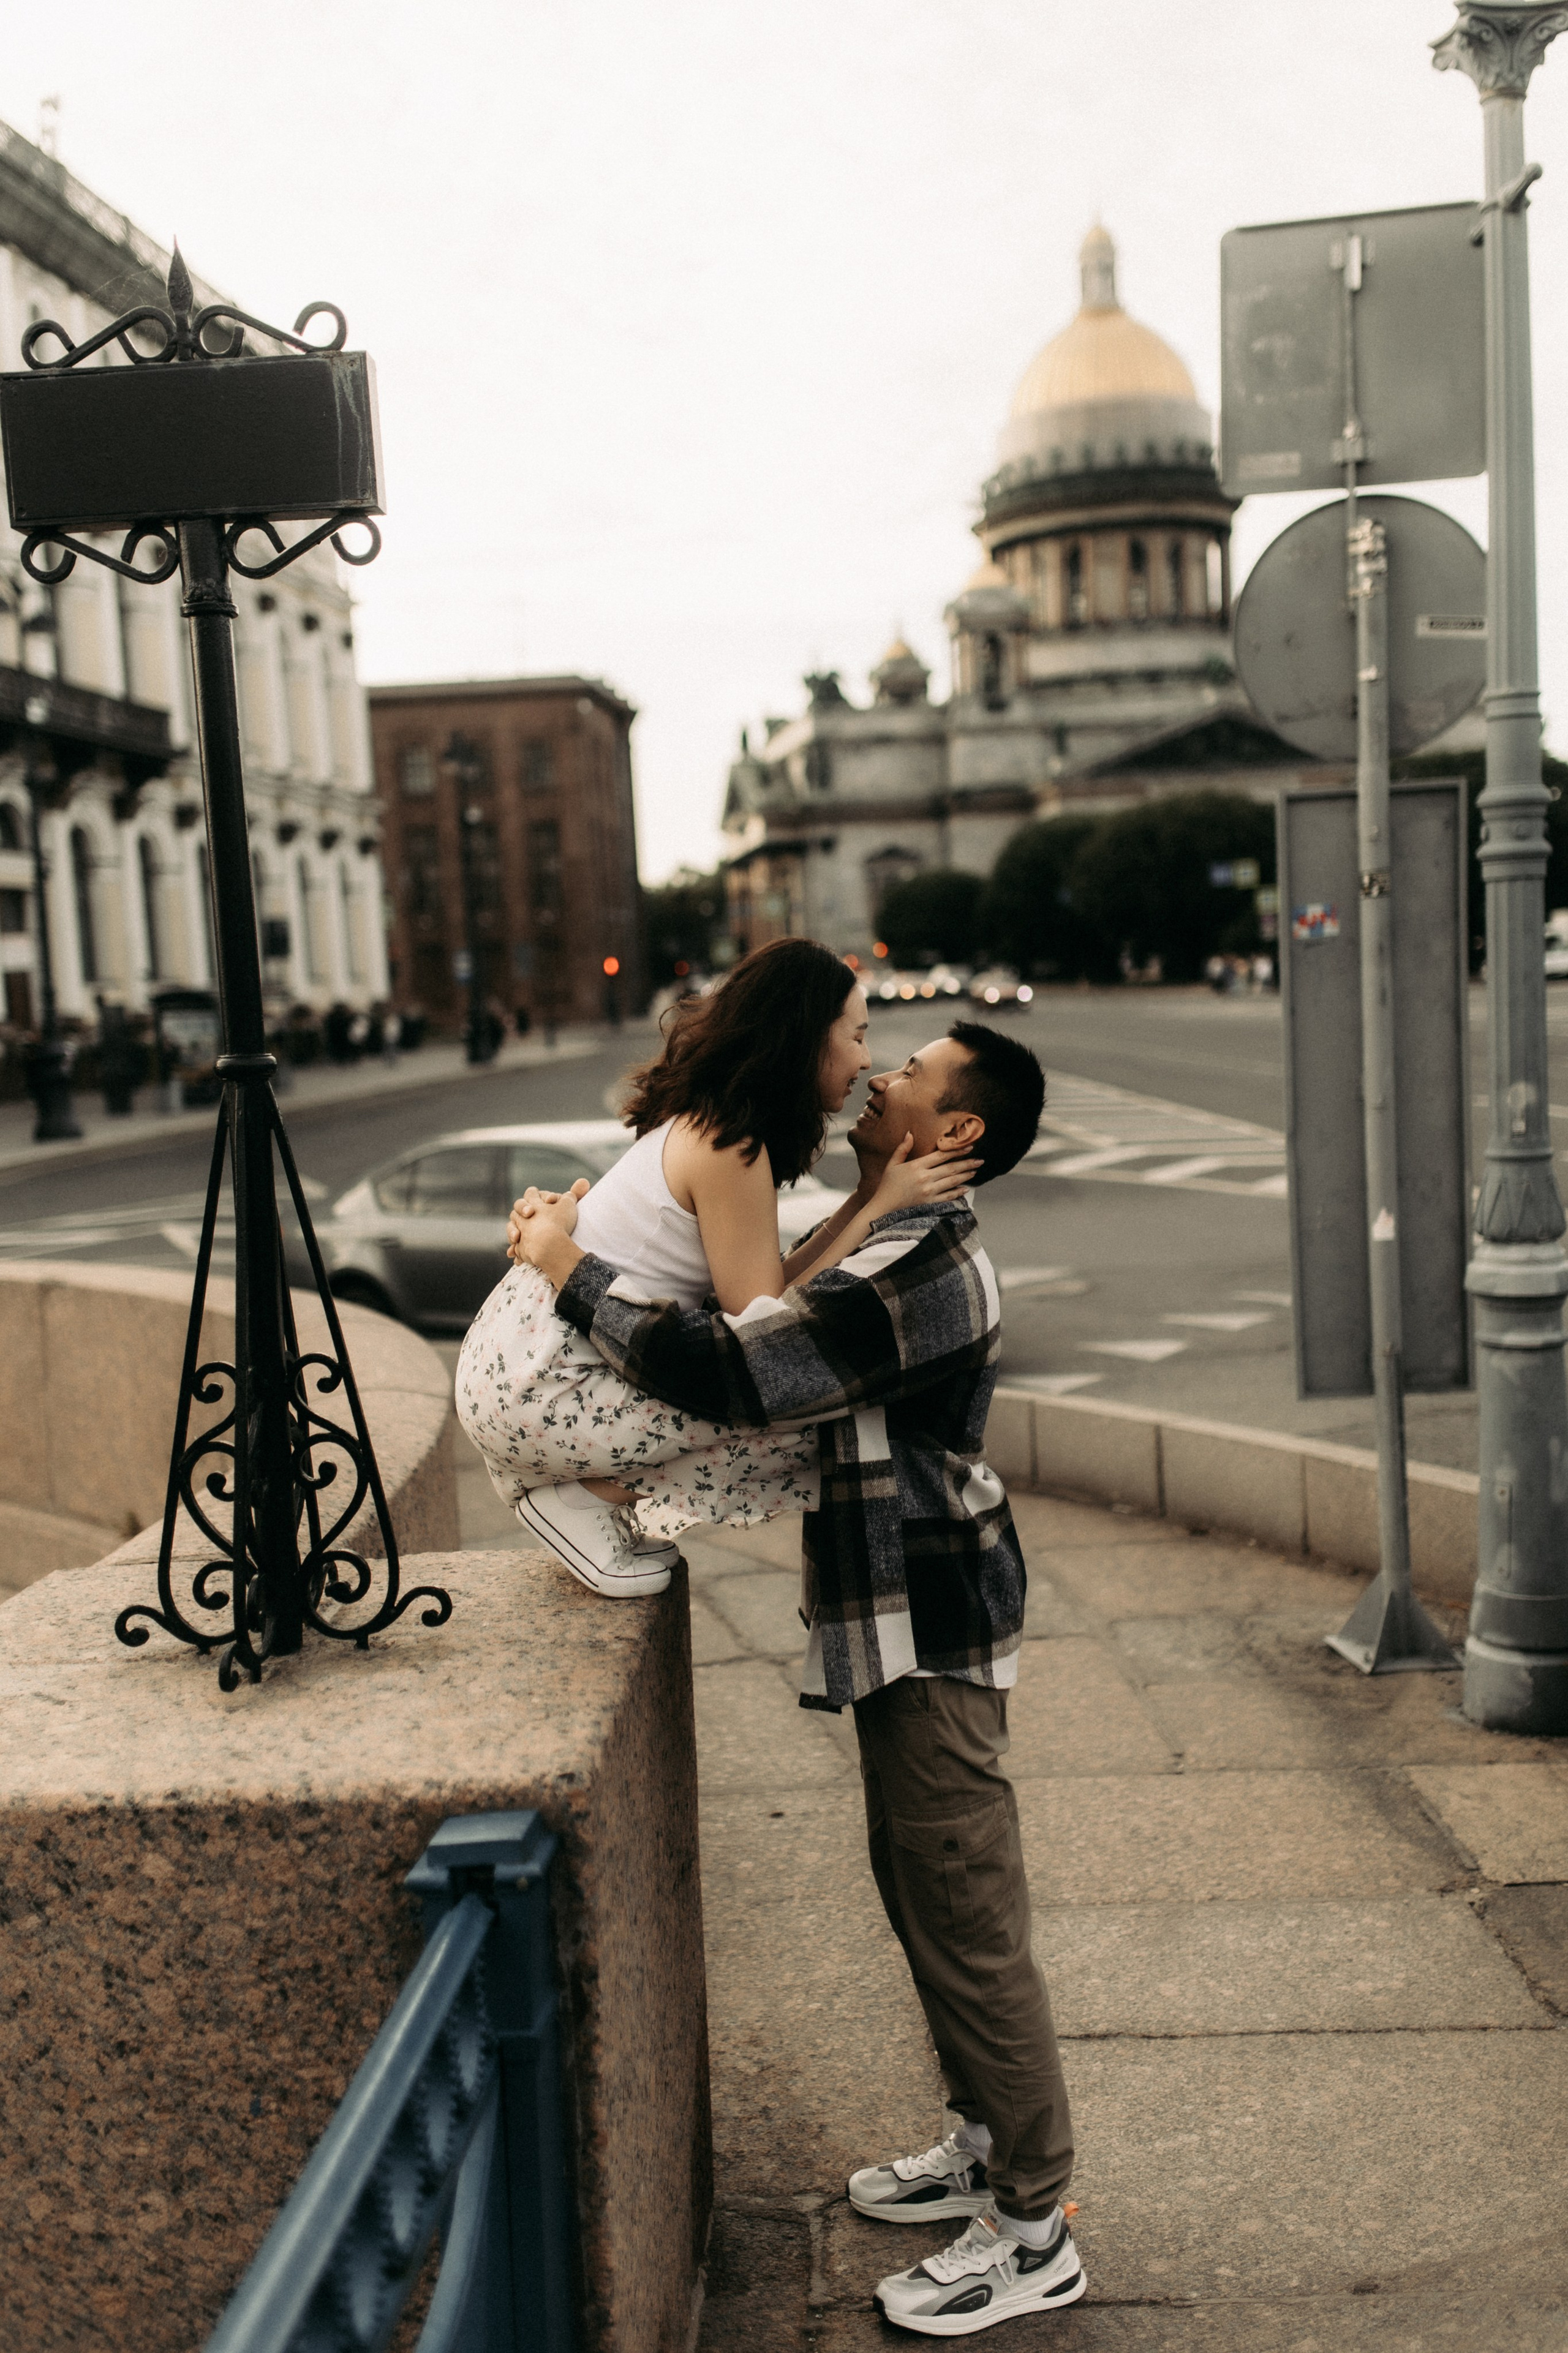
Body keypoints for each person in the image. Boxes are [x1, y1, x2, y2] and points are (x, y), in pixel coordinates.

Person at [510, 1020, 1084, 2336]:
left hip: (932, 1618)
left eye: (912, 1074)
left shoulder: (928, 1266)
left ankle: (1034, 2219)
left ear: (955, 1134)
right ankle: (982, 2139)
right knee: (916, 1881)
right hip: (901, 1608)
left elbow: (742, 1369)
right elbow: (777, 1291)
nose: (879, 1074)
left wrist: (567, 1268)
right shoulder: (889, 1227)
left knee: (964, 1913)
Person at [456, 938, 978, 1597]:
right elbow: (761, 1331)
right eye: (856, 1034)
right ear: (804, 1038)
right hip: (544, 1379)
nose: (866, 1059)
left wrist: (870, 1200)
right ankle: (585, 1499)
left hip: (525, 1357)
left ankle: (587, 1499)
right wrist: (878, 1206)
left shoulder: (715, 1122)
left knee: (779, 1386)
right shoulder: (730, 1145)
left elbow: (766, 1289)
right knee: (803, 1417)